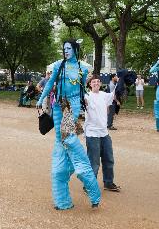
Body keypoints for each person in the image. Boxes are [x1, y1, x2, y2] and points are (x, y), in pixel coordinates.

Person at [36, 39, 101, 210]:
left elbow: (81, 89)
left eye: (68, 48)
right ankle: (62, 201)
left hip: (73, 106)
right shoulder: (58, 65)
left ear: (75, 49)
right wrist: (41, 99)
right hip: (58, 105)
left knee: (69, 141)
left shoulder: (83, 68)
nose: (65, 51)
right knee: (61, 143)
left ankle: (91, 184)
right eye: (64, 48)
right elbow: (50, 83)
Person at [84, 75, 121, 192]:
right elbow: (82, 101)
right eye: (93, 82)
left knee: (109, 159)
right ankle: (89, 185)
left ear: (100, 83)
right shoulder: (86, 96)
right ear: (90, 84)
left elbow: (114, 94)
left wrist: (121, 80)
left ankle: (108, 183)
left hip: (104, 133)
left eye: (98, 81)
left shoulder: (104, 95)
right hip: (92, 133)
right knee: (93, 161)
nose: (96, 83)